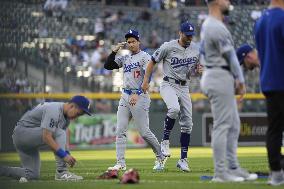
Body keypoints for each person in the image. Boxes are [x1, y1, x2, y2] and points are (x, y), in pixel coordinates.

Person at [200, 0, 257, 182]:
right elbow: (232, 57)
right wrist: (240, 79)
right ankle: (220, 172)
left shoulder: (213, 24)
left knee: (233, 124)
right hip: (218, 74)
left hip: (218, 74)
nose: (229, 2)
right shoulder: (214, 25)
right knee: (223, 125)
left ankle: (232, 167)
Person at [141, 21, 202, 172]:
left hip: (184, 86)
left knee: (188, 124)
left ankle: (183, 160)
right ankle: (165, 141)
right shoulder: (168, 46)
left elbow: (197, 66)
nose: (189, 38)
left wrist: (200, 68)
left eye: (191, 35)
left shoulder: (195, 48)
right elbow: (152, 62)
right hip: (169, 84)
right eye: (187, 35)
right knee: (174, 109)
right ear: (180, 33)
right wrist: (146, 81)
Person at [104, 29, 166, 171]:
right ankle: (120, 163)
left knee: (144, 132)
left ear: (139, 42)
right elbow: (107, 66)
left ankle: (160, 156)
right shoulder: (125, 58)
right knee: (120, 130)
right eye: (129, 42)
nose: (131, 44)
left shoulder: (145, 56)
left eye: (133, 41)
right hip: (125, 96)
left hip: (140, 96)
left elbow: (148, 76)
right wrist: (113, 52)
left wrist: (137, 93)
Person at [0, 95, 91, 181]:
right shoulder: (54, 109)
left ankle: (2, 170)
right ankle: (62, 172)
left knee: (32, 175)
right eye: (78, 113)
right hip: (22, 133)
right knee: (58, 132)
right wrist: (64, 155)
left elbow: (61, 141)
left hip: (27, 138)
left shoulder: (66, 118)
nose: (77, 116)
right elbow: (46, 137)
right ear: (72, 106)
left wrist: (67, 154)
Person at [254, 0, 284, 186]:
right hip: (282, 79)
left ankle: (276, 173)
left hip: (268, 82)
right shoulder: (282, 18)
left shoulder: (260, 20)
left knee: (274, 130)